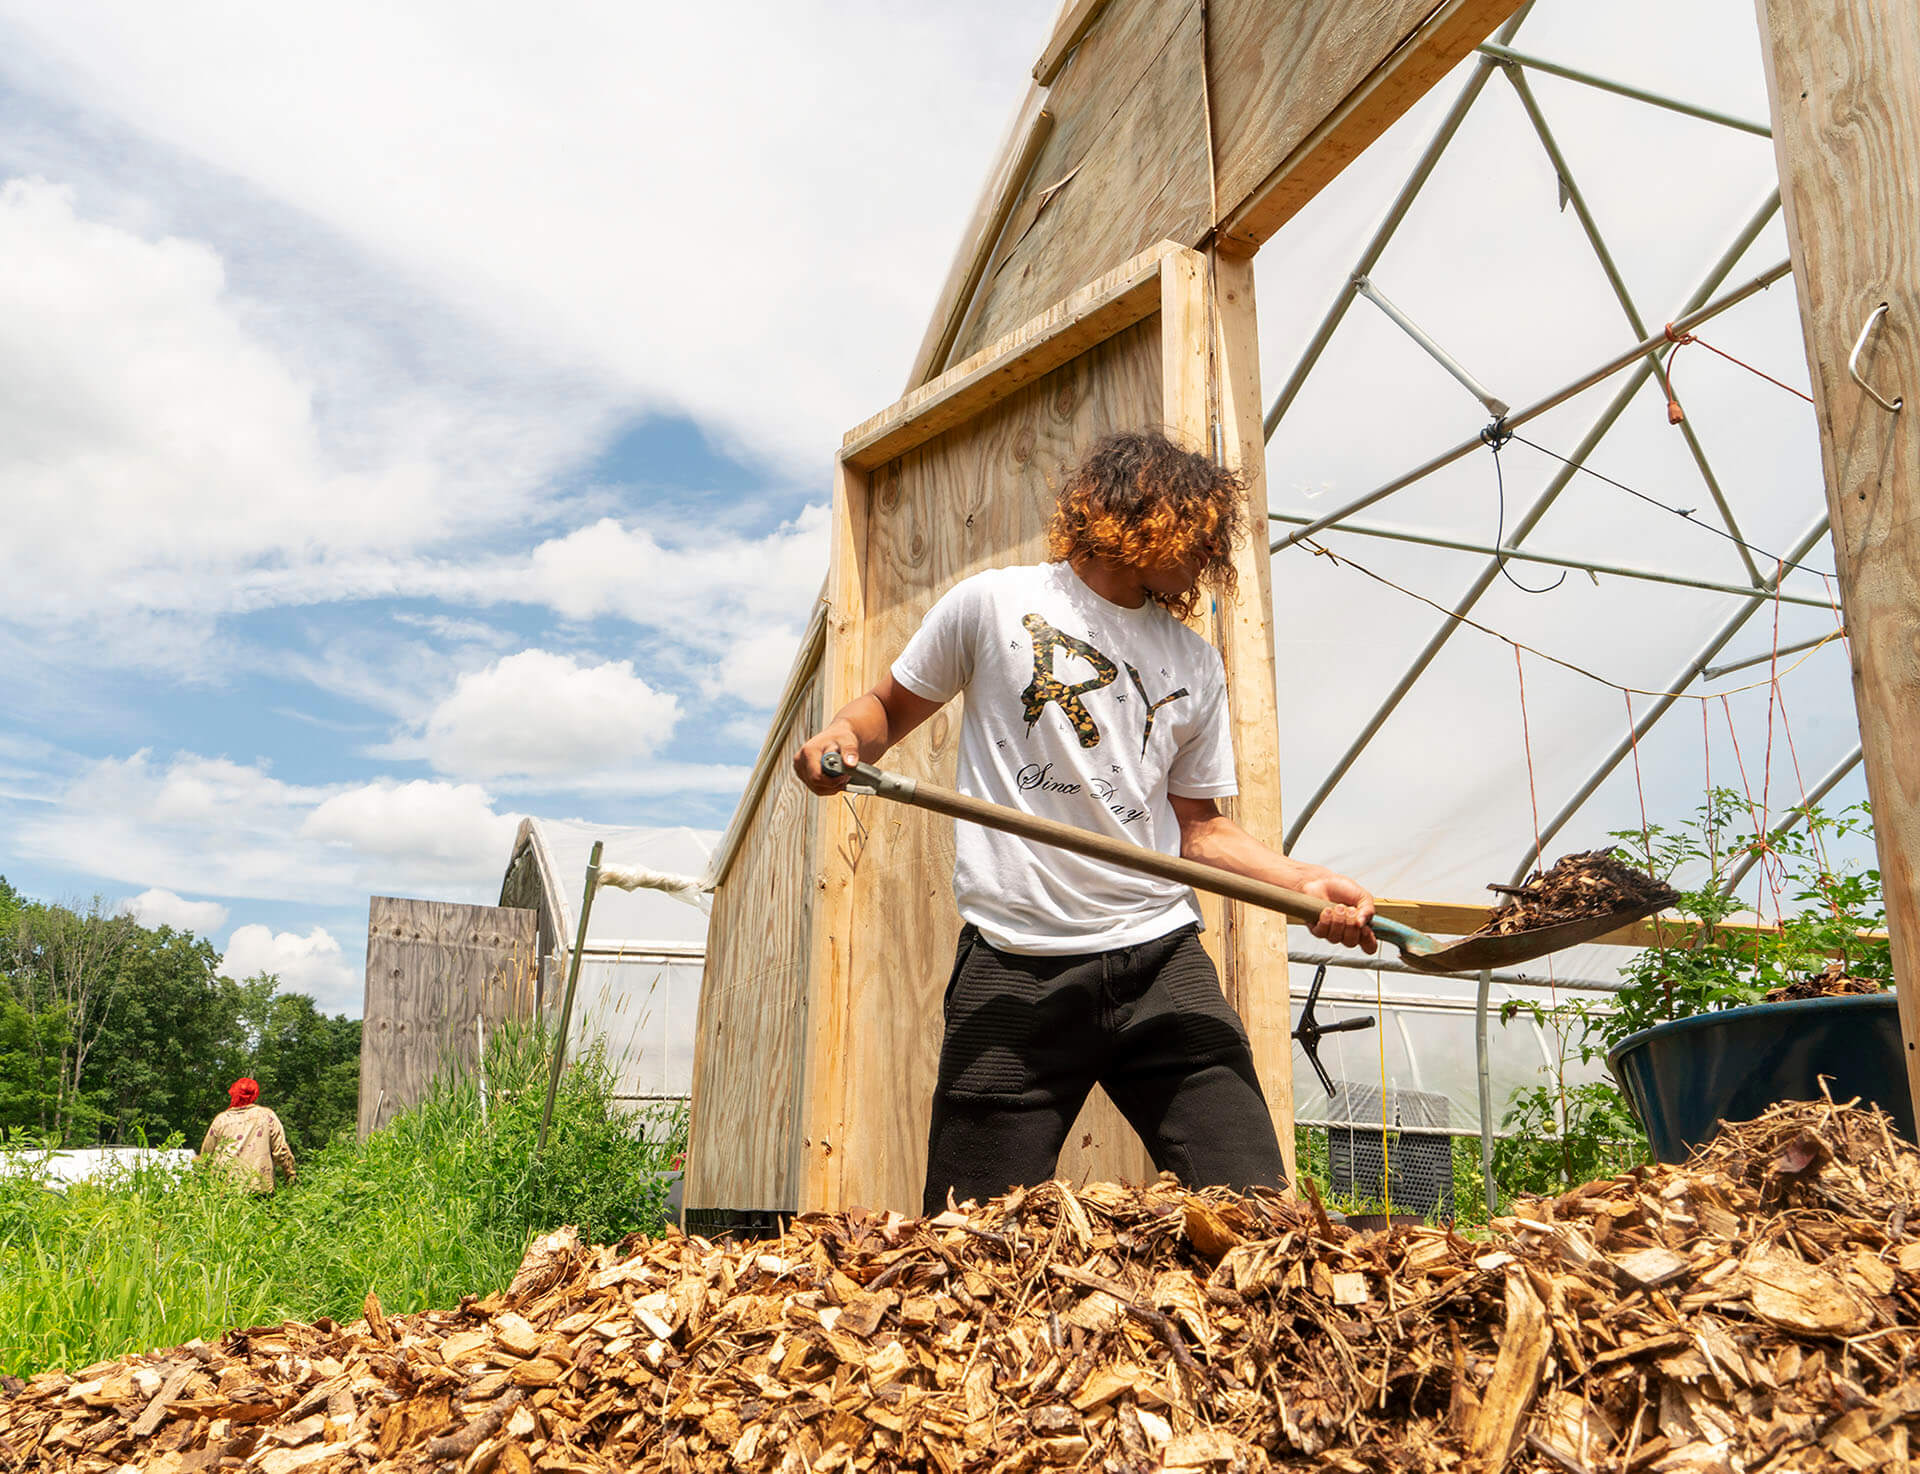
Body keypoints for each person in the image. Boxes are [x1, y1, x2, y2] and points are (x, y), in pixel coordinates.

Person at [794, 428, 1379, 1215]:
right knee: (966, 1240)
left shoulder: (1195, 662)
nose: (1211, 555)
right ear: (1134, 515)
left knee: (1260, 1215)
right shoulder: (993, 604)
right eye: (1197, 532)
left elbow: (1199, 828)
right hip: (1014, 966)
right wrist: (840, 743)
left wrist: (1306, 883)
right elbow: (887, 710)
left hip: (1160, 960)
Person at [198, 1077, 297, 1194]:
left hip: (223, 1189)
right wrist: (290, 1177)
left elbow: (206, 1155)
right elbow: (281, 1151)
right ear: (255, 1094)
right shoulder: (267, 1116)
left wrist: (200, 1183)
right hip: (258, 1187)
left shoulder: (221, 1120)